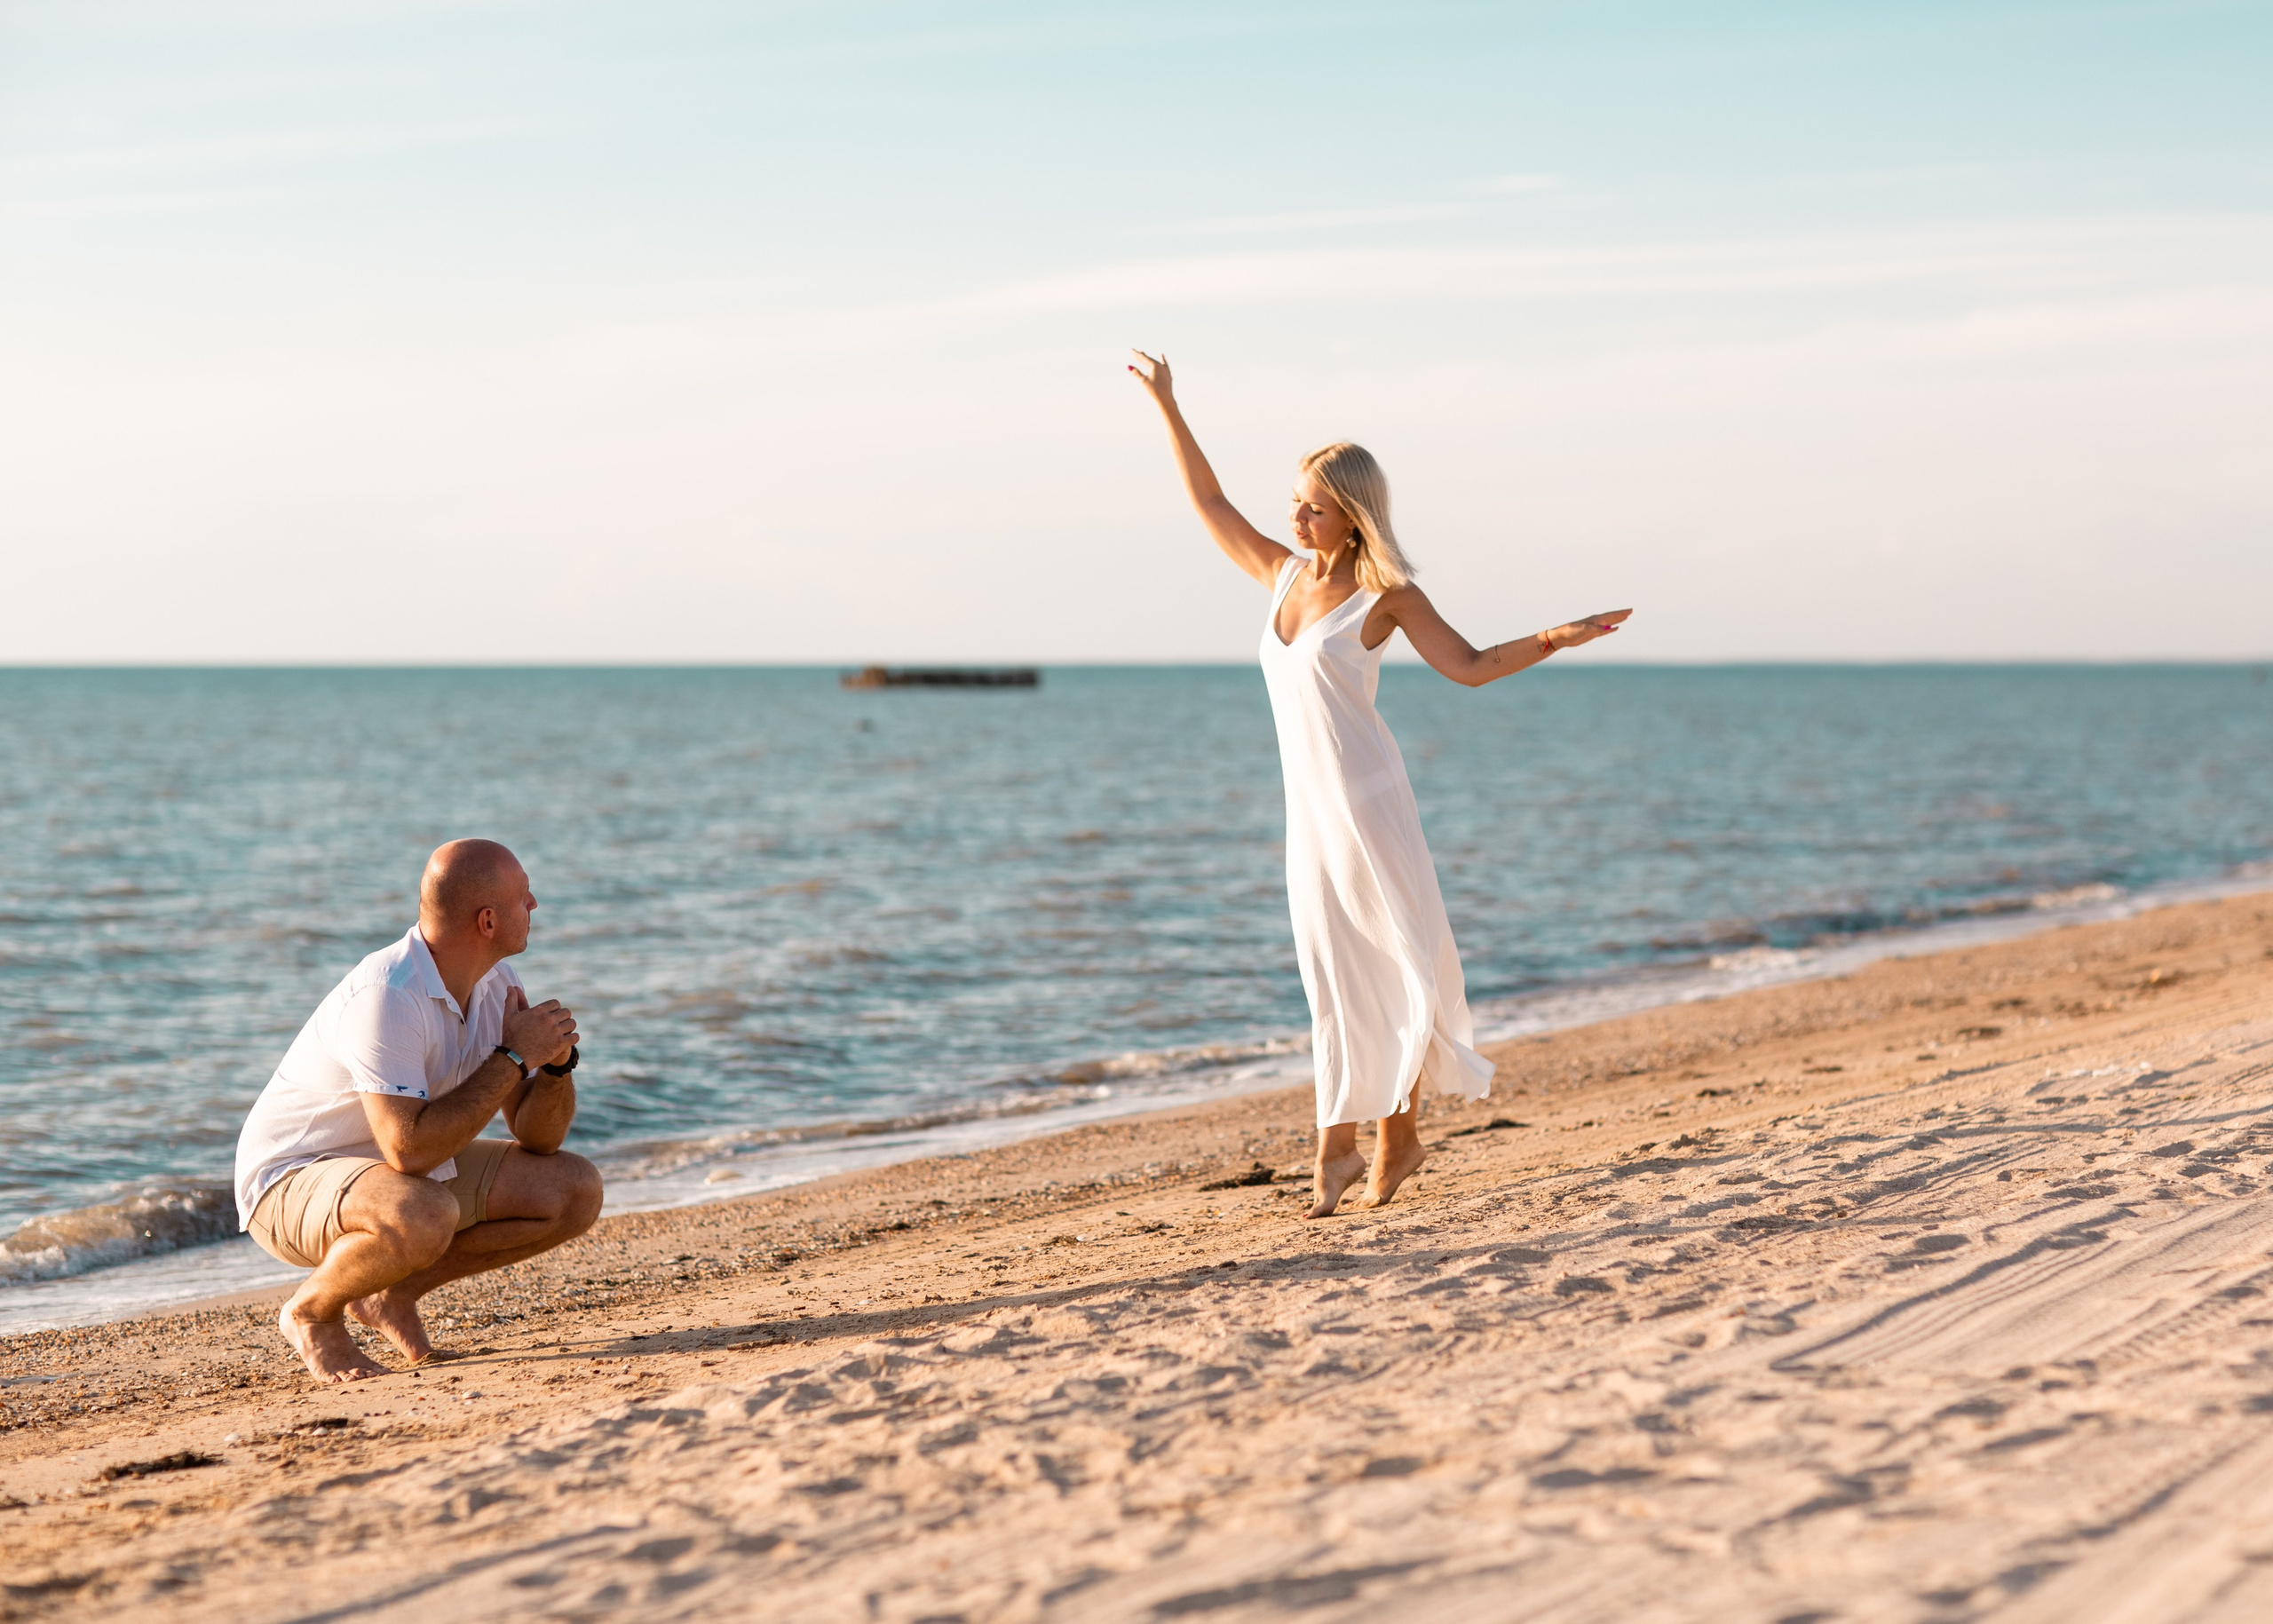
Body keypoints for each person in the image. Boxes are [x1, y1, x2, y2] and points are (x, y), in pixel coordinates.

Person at [1129, 351, 1631, 1217]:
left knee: (1394, 965)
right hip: (1310, 815)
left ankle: (1349, 1143)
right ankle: (1380, 1137)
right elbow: (1209, 503)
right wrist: (1170, 407)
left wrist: (1553, 636)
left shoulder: (1383, 594)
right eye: (1295, 498)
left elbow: (1468, 666)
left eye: (1314, 505)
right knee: (1331, 973)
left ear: (1352, 515)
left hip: (1368, 806)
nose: (1296, 513)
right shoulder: (1281, 574)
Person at [234, 839, 603, 1382]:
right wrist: (515, 1055)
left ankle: (390, 1292)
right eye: (525, 897)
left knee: (573, 1189)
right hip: (291, 1182)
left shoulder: (496, 982)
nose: (536, 906)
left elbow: (538, 1139)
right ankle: (312, 1313)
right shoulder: (387, 995)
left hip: (392, 1175)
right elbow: (408, 1151)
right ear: (487, 920)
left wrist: (553, 1068)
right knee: (423, 1210)